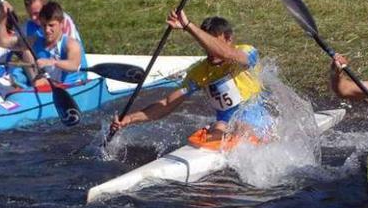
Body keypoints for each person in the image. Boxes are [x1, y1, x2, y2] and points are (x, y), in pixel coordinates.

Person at [110, 10, 271, 143]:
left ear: (229, 39)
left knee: (241, 128)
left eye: (213, 42)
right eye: (205, 43)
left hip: (258, 116)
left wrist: (188, 25)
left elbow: (227, 53)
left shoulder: (245, 51)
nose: (209, 49)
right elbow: (167, 103)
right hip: (225, 123)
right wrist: (129, 119)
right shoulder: (199, 73)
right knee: (217, 130)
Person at [0, 0, 86, 88]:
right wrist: (3, 16)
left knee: (40, 82)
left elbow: (74, 65)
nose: (47, 30)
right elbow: (2, 41)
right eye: (44, 25)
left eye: (51, 25)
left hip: (72, 87)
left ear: (61, 24)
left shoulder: (71, 44)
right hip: (50, 87)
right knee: (27, 55)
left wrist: (52, 62)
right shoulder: (35, 41)